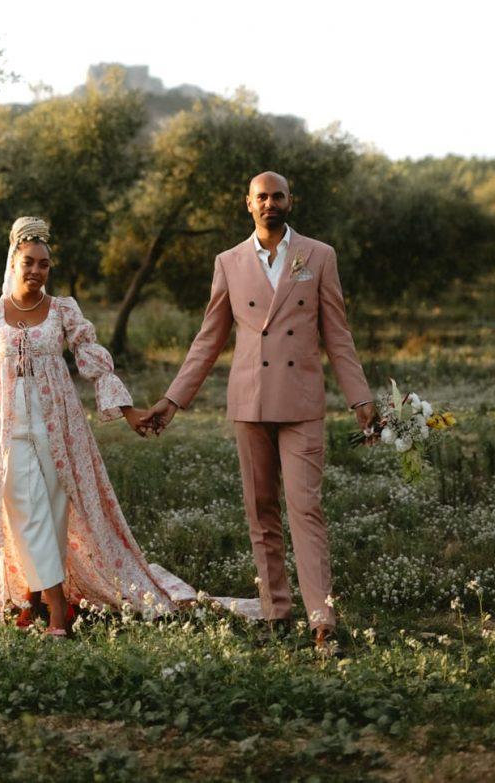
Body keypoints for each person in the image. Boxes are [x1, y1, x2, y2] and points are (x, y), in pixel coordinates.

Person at [143, 172, 376, 649]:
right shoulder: (228, 262)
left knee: (306, 508)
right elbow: (209, 338)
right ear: (247, 203)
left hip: (302, 402)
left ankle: (322, 620)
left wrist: (362, 400)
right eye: (262, 197)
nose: (270, 203)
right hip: (249, 403)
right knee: (260, 510)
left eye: (278, 196)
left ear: (291, 201)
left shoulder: (319, 255)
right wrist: (172, 400)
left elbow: (338, 335)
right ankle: (276, 610)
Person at [0, 216, 172, 634]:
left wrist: (128, 413)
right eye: (28, 262)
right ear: (13, 263)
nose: (36, 271)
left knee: (51, 514)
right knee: (23, 510)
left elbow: (93, 360)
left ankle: (33, 601)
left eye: (44, 264)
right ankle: (57, 610)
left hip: (59, 428)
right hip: (5, 431)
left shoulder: (63, 310)